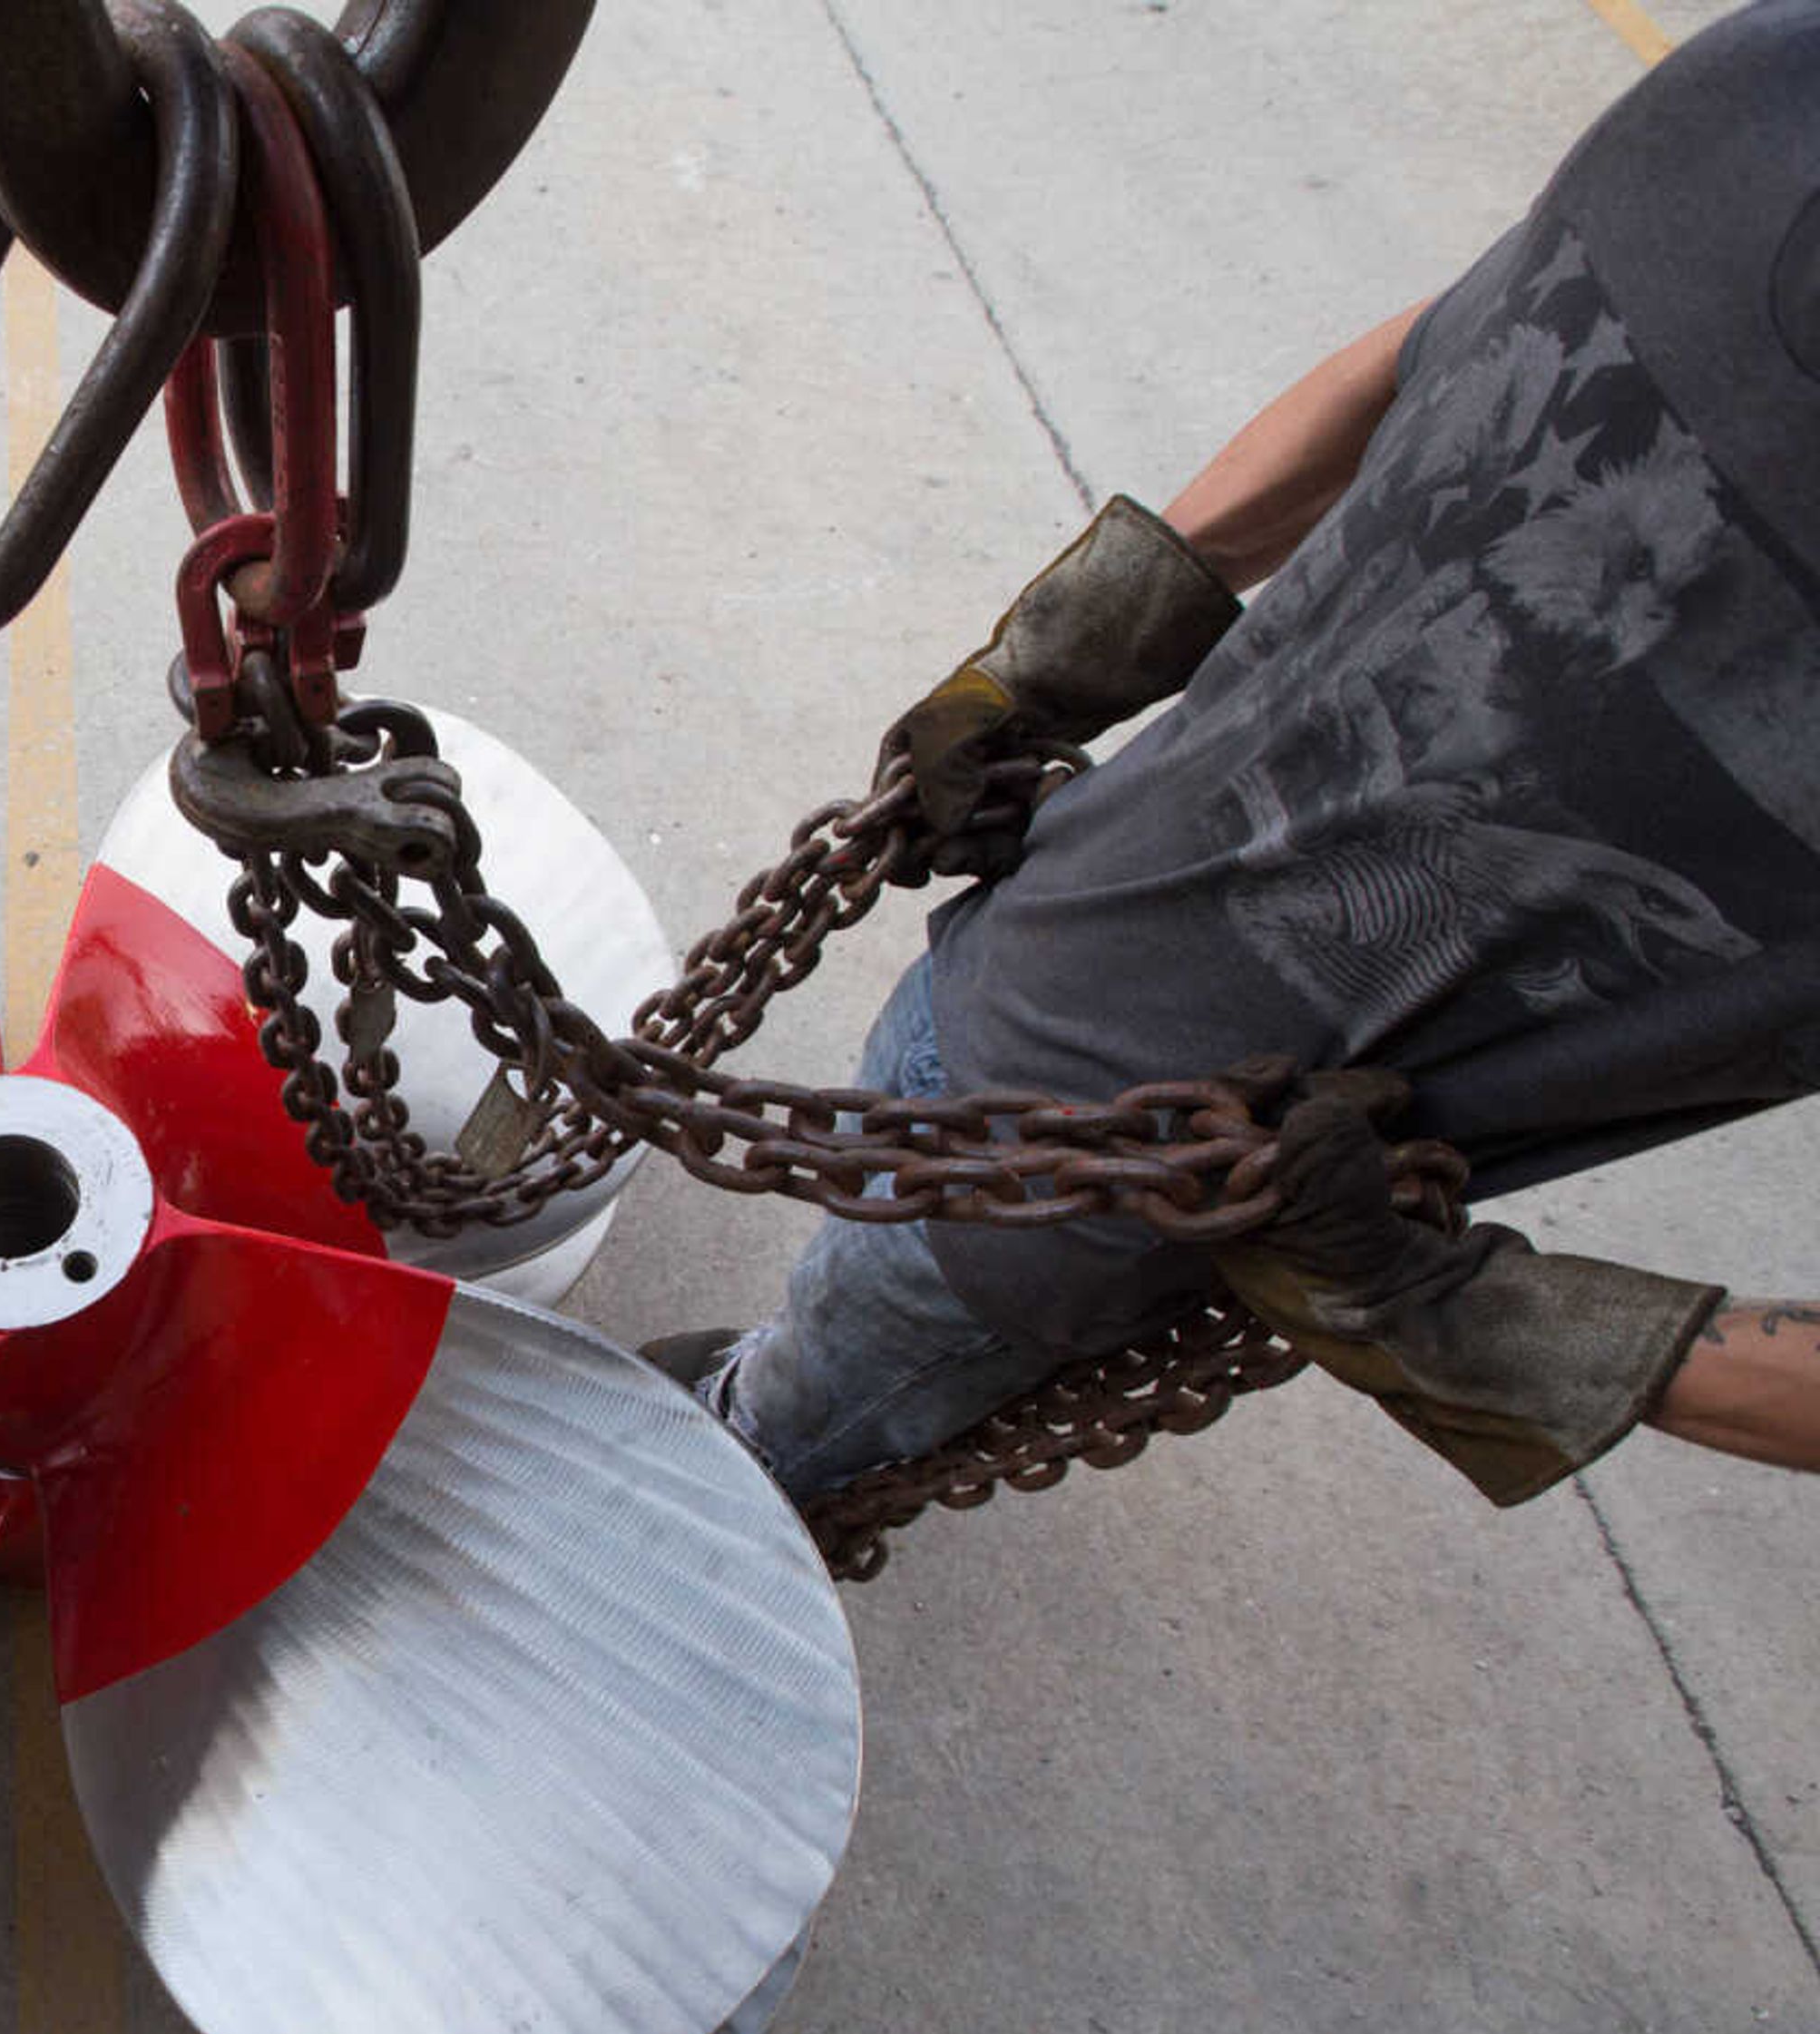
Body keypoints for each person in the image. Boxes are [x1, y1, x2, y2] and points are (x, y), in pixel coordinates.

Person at [680, 0, 1820, 1511]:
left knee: (803, 1423)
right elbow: (1436, 352)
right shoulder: (1767, 84)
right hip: (1030, 938)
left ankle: (756, 1453)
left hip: (1140, 1198)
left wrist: (1472, 1321)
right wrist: (1052, 668)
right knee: (843, 1313)